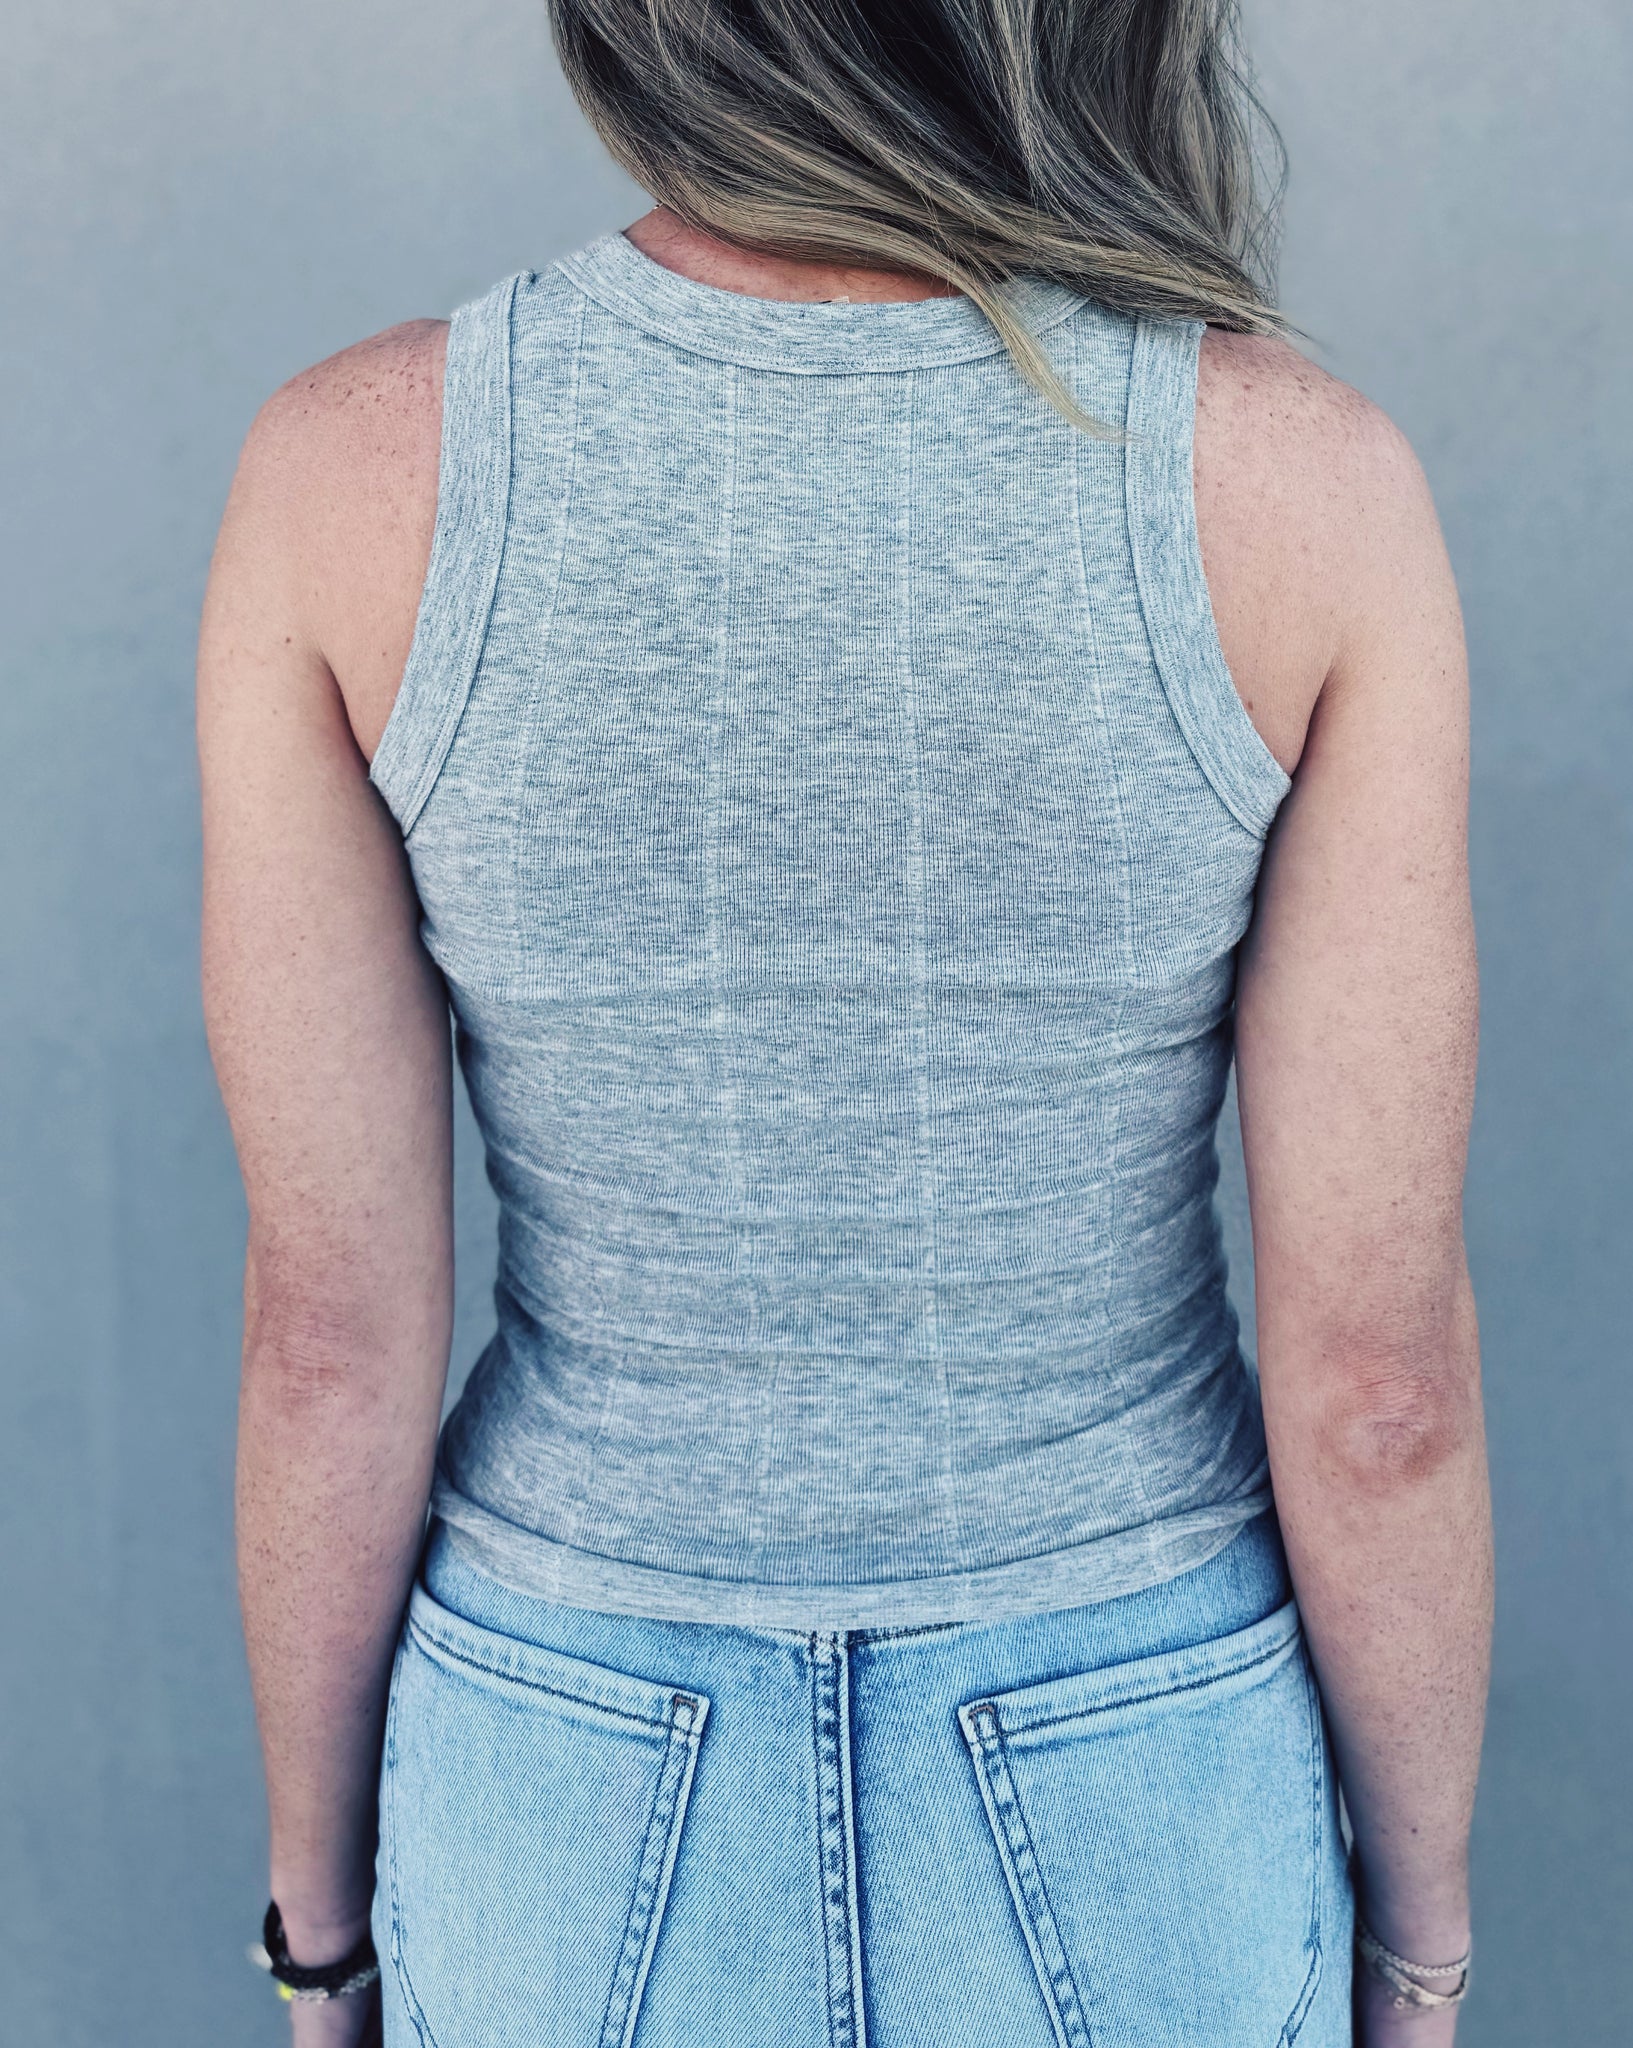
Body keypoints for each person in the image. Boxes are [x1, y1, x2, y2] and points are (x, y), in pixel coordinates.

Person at [197, 3, 1492, 2043]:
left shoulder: (345, 479)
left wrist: (324, 1937)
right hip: (1131, 1737)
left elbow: (328, 1341)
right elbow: (1377, 1388)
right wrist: (1413, 1959)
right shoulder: (1305, 487)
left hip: (565, 1753)